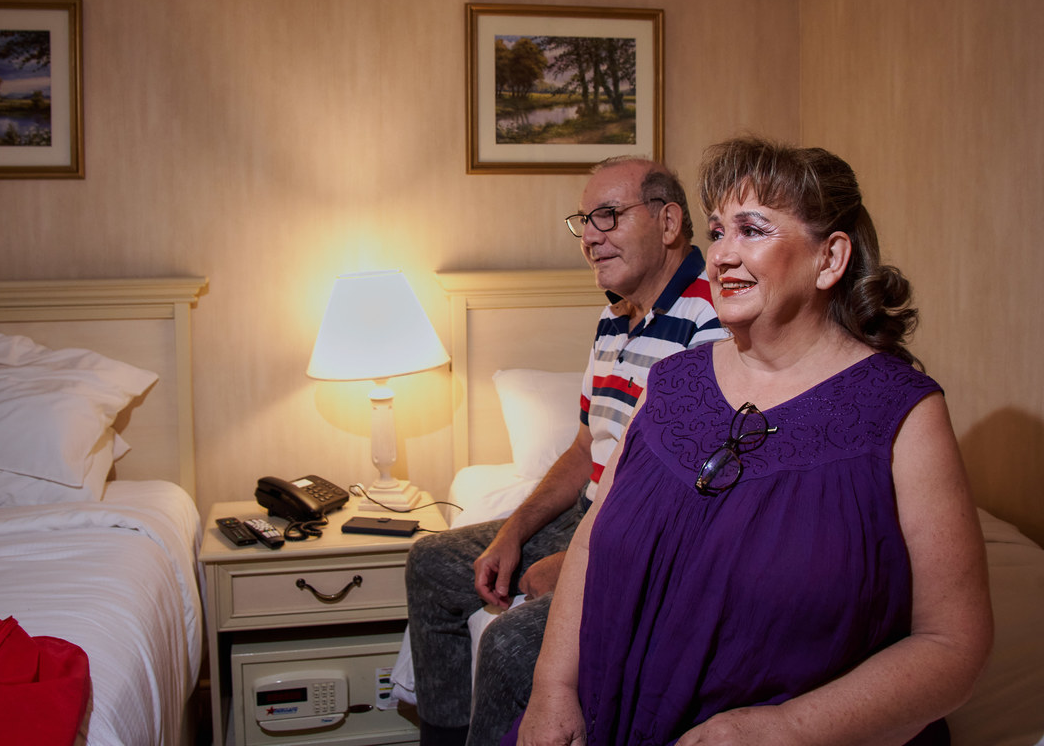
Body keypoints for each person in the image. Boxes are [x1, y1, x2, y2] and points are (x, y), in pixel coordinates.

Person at [511, 136, 994, 746]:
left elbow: (952, 646)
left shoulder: (901, 413)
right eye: (716, 233)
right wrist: (552, 691)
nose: (720, 257)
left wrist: (782, 729)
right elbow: (591, 544)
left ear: (830, 259)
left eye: (753, 230)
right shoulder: (672, 382)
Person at [406, 156, 728, 746]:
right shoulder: (613, 318)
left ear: (669, 222)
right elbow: (586, 447)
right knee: (431, 561)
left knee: (506, 648)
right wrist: (513, 531)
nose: (592, 237)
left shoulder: (713, 321)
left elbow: (679, 492)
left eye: (609, 215)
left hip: (638, 534)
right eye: (585, 221)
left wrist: (581, 561)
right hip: (591, 514)